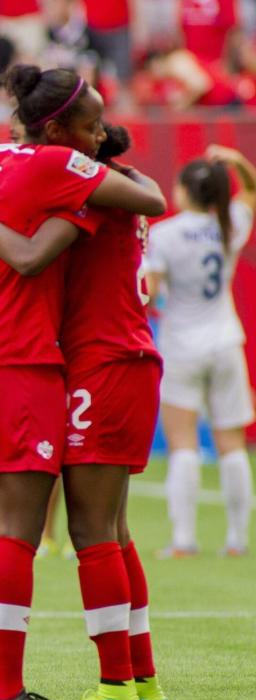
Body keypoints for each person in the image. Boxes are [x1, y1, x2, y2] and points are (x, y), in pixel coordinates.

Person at [0, 63, 164, 700]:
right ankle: (110, 686)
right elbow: (144, 199)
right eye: (87, 127)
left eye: (100, 131)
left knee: (80, 531)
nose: (92, 141)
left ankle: (113, 687)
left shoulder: (4, 173)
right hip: (45, 358)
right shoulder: (68, 178)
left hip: (54, 358)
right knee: (94, 532)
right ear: (61, 130)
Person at [147, 147, 256, 559]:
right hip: (226, 339)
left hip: (181, 344)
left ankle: (184, 540)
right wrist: (234, 159)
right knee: (231, 442)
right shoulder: (229, 224)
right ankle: (236, 539)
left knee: (184, 443)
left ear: (181, 192)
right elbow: (251, 187)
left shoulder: (165, 234)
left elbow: (151, 292)